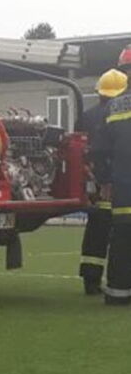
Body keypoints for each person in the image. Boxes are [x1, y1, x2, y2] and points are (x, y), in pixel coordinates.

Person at [79, 69, 128, 294]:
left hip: (98, 183)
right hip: (119, 183)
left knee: (96, 232)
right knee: (121, 237)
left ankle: (91, 280)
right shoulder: (120, 110)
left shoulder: (87, 116)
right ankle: (119, 285)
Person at [91, 69, 131, 306]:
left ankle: (118, 294)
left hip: (124, 189)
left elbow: (98, 150)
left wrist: (105, 179)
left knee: (122, 240)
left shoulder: (114, 107)